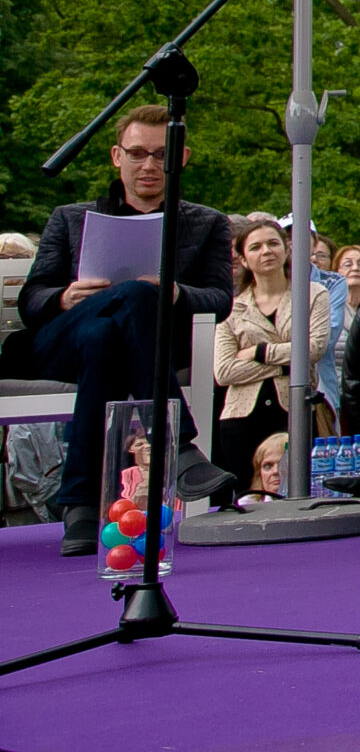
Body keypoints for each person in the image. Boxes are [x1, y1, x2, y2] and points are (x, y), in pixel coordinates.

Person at [7, 106, 239, 553]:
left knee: (107, 335)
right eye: (137, 153)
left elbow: (219, 300)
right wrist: (64, 297)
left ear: (182, 157)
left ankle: (79, 506)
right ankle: (179, 447)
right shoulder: (70, 217)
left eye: (161, 154)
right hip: (64, 343)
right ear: (117, 156)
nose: (149, 164)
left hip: (142, 346)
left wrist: (175, 293)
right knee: (121, 306)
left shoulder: (207, 222)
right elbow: (31, 299)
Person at [210, 216, 328, 484]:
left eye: (273, 244)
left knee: (298, 488)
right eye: (255, 247)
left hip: (295, 409)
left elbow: (314, 349)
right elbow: (224, 371)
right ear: (243, 259)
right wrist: (285, 366)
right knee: (247, 494)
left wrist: (258, 352)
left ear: (286, 249)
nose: (266, 251)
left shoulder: (313, 294)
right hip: (241, 417)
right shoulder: (231, 308)